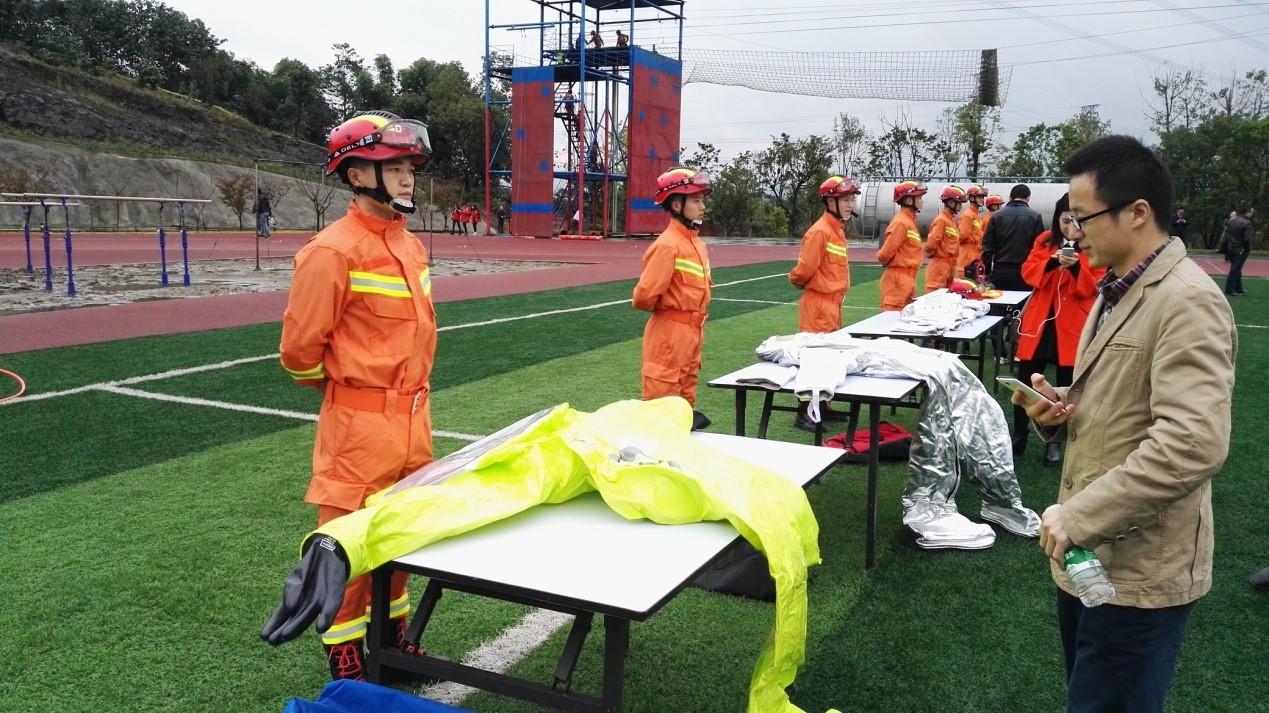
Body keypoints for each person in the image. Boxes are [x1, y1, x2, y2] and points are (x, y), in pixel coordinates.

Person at [1016, 135, 1236, 713]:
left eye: (1082, 217)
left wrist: (1080, 516)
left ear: (1137, 212)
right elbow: (1125, 395)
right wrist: (1062, 408)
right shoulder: (1117, 287)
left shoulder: (1187, 301)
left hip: (1139, 571)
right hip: (1094, 557)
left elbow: (1192, 445)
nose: (1073, 232)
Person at [274, 110, 439, 683]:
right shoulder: (332, 251)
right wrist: (351, 392)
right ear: (356, 175)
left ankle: (391, 645)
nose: (407, 177)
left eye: (409, 166)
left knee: (400, 536)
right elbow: (299, 352)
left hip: (414, 421)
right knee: (348, 544)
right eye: (393, 167)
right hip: (359, 429)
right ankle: (345, 656)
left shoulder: (410, 246)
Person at [1010, 193, 1104, 464]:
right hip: (1040, 323)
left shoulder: (1094, 244)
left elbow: (1094, 286)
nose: (1069, 227)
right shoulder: (1044, 240)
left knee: (1067, 385)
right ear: (1057, 218)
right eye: (1065, 220)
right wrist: (1052, 261)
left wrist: (1075, 269)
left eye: (1076, 220)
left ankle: (1054, 441)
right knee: (1026, 382)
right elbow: (1028, 273)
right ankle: (1020, 435)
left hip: (1072, 325)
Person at [632, 166, 713, 431]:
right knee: (661, 406)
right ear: (677, 205)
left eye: (702, 200)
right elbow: (643, 297)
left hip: (692, 333)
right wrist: (671, 314)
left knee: (684, 402)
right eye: (696, 200)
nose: (702, 206)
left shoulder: (696, 244)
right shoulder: (668, 246)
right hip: (670, 334)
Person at [788, 175, 859, 431]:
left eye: (851, 200)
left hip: (832, 304)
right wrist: (798, 280)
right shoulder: (820, 231)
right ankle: (804, 412)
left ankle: (822, 406)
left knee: (829, 356)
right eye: (845, 200)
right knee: (814, 357)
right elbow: (804, 270)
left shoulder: (835, 230)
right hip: (819, 304)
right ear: (830, 202)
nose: (850, 204)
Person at [982, 184, 1045, 290]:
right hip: (1025, 271)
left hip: (1001, 270)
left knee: (1000, 299)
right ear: (1028, 198)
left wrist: (986, 271)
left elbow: (987, 247)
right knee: (1024, 300)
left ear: (1010, 198)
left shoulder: (996, 216)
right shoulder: (1035, 216)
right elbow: (1040, 248)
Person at [876, 180, 926, 311]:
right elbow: (884, 254)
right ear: (909, 200)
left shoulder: (908, 221)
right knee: (891, 318)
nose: (922, 201)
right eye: (919, 198)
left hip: (906, 279)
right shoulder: (901, 222)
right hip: (898, 280)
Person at [924, 185, 966, 293]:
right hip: (940, 266)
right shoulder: (942, 220)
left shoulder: (950, 220)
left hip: (948, 265)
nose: (961, 206)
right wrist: (933, 253)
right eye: (959, 203)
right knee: (935, 294)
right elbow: (931, 243)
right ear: (951, 203)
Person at [956, 184, 988, 278]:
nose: (982, 199)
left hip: (974, 254)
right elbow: (962, 236)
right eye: (979, 197)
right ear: (971, 198)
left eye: (982, 197)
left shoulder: (976, 215)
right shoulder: (968, 215)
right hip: (967, 256)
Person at [1224, 205, 1254, 296]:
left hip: (1231, 247)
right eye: (1251, 212)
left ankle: (1238, 288)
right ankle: (1230, 290)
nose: (1252, 214)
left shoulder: (1232, 220)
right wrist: (1247, 248)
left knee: (1237, 268)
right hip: (1241, 248)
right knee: (1235, 269)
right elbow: (1247, 238)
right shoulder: (1247, 223)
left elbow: (1227, 234)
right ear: (1247, 212)